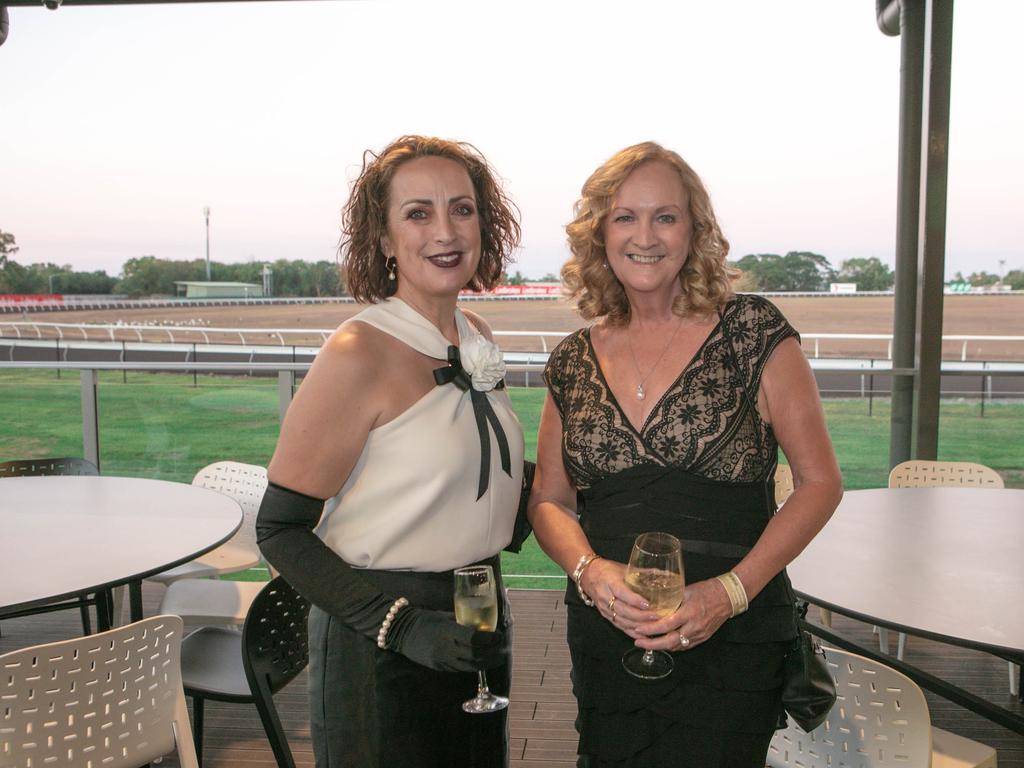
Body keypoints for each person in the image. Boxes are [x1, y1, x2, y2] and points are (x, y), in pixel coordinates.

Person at [527, 142, 843, 767]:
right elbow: (550, 500)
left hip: (735, 638)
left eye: (664, 216)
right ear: (600, 233)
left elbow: (818, 483)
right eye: (625, 217)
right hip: (608, 638)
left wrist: (729, 592)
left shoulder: (753, 332)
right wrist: (590, 572)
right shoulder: (570, 360)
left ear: (694, 230)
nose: (645, 236)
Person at [256, 135, 527, 768]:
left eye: (462, 208)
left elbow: (466, 475)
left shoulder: (475, 334)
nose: (446, 230)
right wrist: (400, 626)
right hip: (379, 638)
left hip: (477, 619)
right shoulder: (359, 353)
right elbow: (279, 529)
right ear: (383, 239)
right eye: (418, 213)